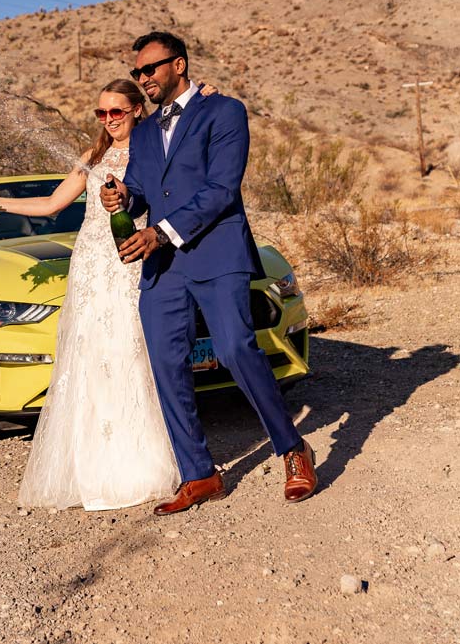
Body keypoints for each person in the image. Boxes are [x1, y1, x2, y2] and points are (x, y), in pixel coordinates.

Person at [100, 32, 318, 515]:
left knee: (236, 348)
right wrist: (122, 196)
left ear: (178, 64)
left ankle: (292, 449)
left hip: (216, 255)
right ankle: (199, 473)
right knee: (166, 364)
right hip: (162, 268)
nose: (143, 79)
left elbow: (222, 189)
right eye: (137, 72)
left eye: (150, 70)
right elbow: (140, 188)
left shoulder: (225, 112)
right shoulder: (144, 130)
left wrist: (160, 231)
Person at [0, 79, 188, 510]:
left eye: (117, 113)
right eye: (101, 114)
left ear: (137, 110)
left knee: (129, 353)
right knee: (87, 355)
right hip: (89, 264)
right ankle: (90, 467)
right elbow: (51, 204)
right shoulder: (93, 156)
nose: (109, 121)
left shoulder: (153, 148)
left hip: (128, 260)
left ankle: (143, 463)